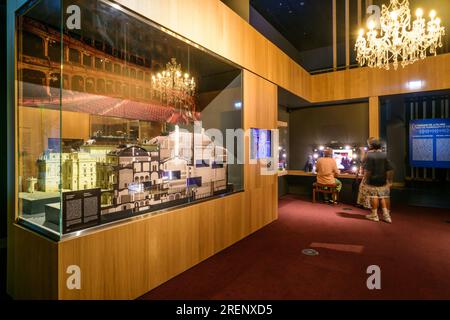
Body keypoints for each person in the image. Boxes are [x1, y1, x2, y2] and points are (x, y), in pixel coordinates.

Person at [363, 139, 394, 223]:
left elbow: (368, 170)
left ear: (371, 146)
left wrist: (366, 180)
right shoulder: (385, 155)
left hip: (373, 179)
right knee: (385, 197)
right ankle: (387, 216)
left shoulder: (370, 155)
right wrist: (390, 181)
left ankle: (374, 215)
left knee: (374, 196)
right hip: (384, 179)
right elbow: (390, 169)